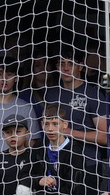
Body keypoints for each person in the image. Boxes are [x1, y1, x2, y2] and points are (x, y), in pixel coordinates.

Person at [43, 47, 108, 179]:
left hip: (87, 164)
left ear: (80, 66)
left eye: (71, 63)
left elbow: (105, 137)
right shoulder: (51, 94)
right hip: (55, 162)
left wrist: (69, 132)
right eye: (61, 63)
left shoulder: (92, 94)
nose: (66, 68)